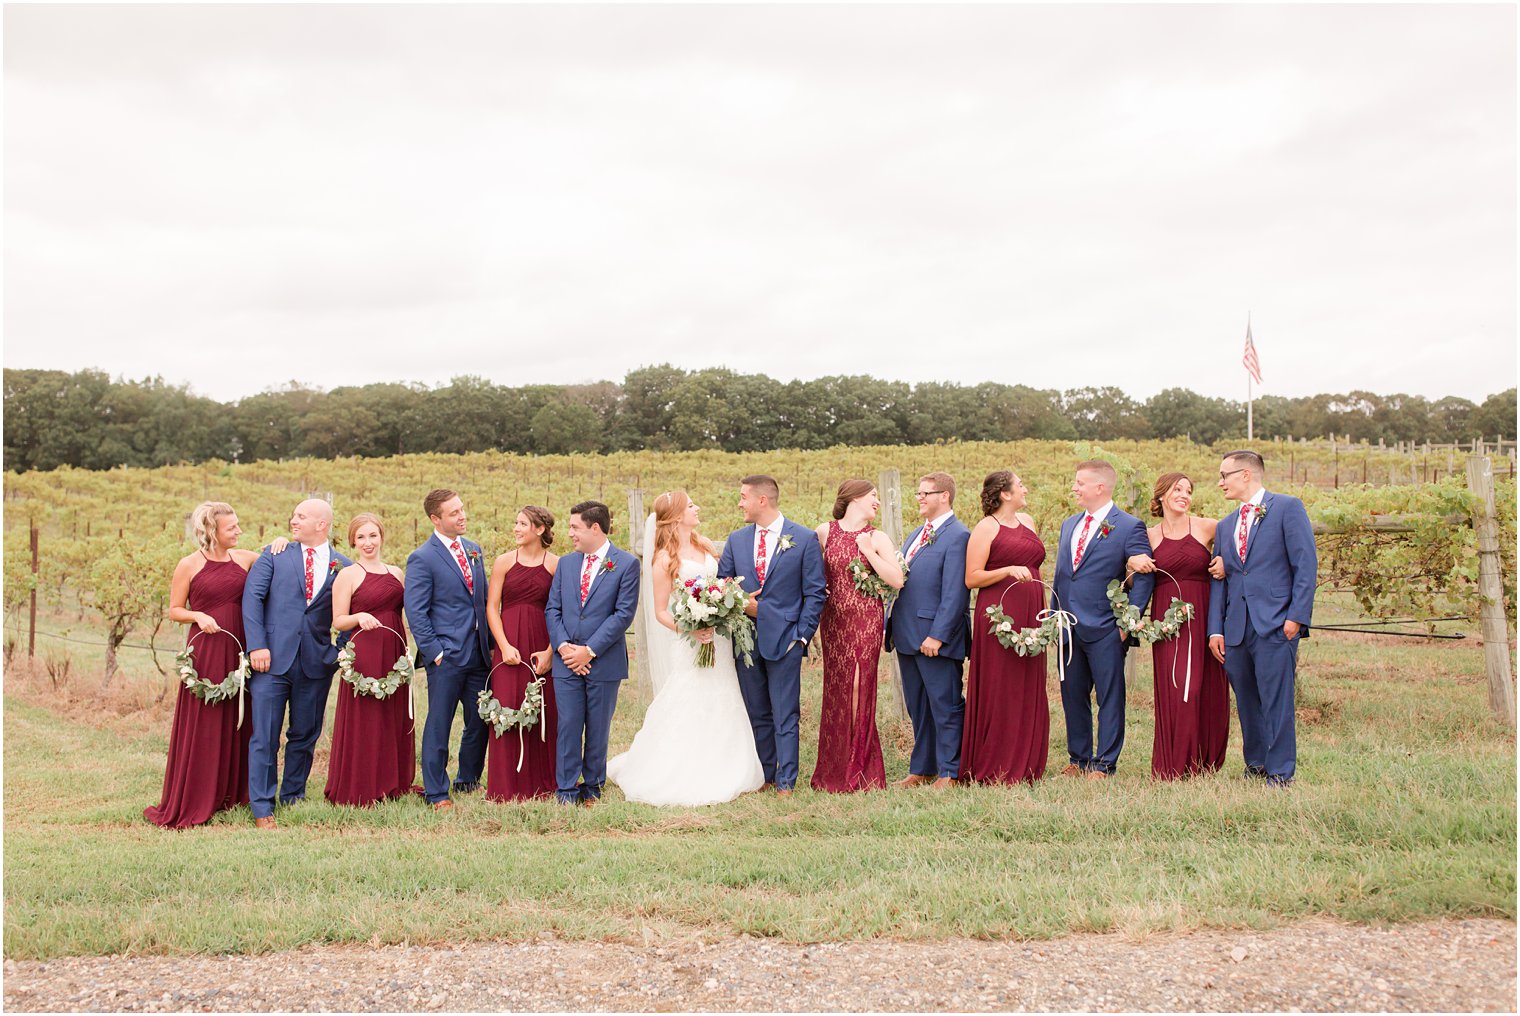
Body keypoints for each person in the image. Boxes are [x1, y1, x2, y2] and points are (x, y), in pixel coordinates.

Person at [607, 491, 765, 805]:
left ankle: (726, 762)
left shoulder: (705, 546)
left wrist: (729, 603)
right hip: (693, 640)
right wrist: (691, 627)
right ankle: (682, 764)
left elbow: (723, 585)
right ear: (678, 515)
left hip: (718, 638)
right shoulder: (664, 559)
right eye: (692, 505)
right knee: (690, 695)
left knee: (724, 692)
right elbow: (661, 611)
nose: (698, 507)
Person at [145, 502, 259, 828]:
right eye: (231, 528)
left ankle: (232, 793)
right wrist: (198, 615)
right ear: (212, 532)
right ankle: (199, 795)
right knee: (207, 719)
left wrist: (279, 543)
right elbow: (174, 610)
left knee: (238, 716)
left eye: (238, 525)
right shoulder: (189, 565)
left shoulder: (246, 558)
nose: (238, 531)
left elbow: (273, 560)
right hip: (207, 649)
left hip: (239, 647)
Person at [1207, 451, 1317, 787]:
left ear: (1245, 475)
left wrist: (1296, 617)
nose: (1220, 482)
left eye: (1225, 475)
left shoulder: (1287, 507)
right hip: (1236, 628)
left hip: (1276, 623)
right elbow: (1220, 581)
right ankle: (1255, 764)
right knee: (1247, 699)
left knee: (1277, 699)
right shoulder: (1225, 526)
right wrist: (1216, 630)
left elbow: (1305, 564)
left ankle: (1281, 772)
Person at [242, 498, 351, 827]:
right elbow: (252, 600)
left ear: (322, 524)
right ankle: (262, 806)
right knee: (265, 736)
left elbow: (353, 609)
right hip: (271, 661)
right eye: (293, 515)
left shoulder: (342, 565)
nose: (293, 520)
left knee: (304, 734)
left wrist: (339, 652)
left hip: (316, 663)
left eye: (301, 516)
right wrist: (257, 646)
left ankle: (293, 797)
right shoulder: (274, 554)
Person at [716, 475, 827, 798]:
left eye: (743, 497)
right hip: (746, 642)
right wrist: (739, 601)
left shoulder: (803, 539)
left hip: (786, 640)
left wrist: (801, 637)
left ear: (762, 500)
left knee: (785, 712)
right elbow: (723, 584)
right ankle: (765, 775)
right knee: (758, 711)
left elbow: (815, 593)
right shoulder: (736, 540)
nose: (739, 503)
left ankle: (787, 780)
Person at [1051, 460, 1154, 780]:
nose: (1074, 488)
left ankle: (1104, 763)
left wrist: (1128, 623)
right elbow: (1062, 575)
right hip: (1068, 626)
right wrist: (1055, 615)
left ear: (1101, 487)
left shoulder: (1128, 526)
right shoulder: (1069, 524)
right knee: (1072, 695)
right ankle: (1078, 759)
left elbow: (1145, 576)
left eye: (1079, 482)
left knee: (1110, 697)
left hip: (1106, 628)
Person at [1126, 473, 1231, 779]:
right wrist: (1132, 563)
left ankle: (1205, 759)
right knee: (1176, 687)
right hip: (1166, 618)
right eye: (1178, 489)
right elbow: (1136, 578)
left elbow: (1241, 550)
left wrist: (1226, 563)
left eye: (1189, 490)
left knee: (1203, 686)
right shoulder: (1149, 535)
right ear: (1161, 496)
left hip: (1204, 613)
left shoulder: (1209, 527)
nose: (1185, 494)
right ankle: (1174, 762)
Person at [545, 500, 641, 806]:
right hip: (566, 659)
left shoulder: (626, 564)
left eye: (575, 527)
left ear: (594, 528)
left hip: (603, 660)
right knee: (569, 724)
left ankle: (593, 786)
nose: (570, 533)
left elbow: (622, 615)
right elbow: (553, 609)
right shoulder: (566, 563)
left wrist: (589, 651)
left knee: (598, 726)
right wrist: (563, 647)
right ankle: (566, 789)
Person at [810, 480, 902, 793]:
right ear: (854, 498)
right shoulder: (825, 532)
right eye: (873, 496)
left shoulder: (877, 537)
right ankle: (832, 768)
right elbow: (812, 574)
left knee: (859, 688)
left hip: (866, 621)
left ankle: (860, 768)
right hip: (834, 622)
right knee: (836, 690)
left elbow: (896, 579)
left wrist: (868, 552)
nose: (877, 501)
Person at [404, 488, 492, 812]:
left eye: (462, 509)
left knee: (480, 720)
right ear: (435, 519)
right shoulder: (422, 557)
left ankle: (468, 780)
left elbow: (479, 602)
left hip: (479, 654)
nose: (462, 515)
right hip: (446, 657)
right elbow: (416, 610)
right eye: (454, 512)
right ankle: (437, 792)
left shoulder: (474, 550)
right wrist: (435, 651)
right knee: (439, 723)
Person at [960, 470, 1049, 785]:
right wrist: (1008, 569)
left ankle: (1027, 762)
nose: (1025, 487)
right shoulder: (987, 527)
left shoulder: (1028, 522)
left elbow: (1035, 563)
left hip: (1032, 610)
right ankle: (995, 763)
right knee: (1002, 686)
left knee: (1028, 682)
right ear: (1005, 493)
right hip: (999, 613)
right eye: (1020, 484)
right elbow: (972, 577)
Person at [887, 472, 972, 789]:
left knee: (945, 705)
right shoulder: (915, 534)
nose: (920, 497)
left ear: (945, 496)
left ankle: (951, 770)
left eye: (926, 493)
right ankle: (922, 768)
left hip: (935, 638)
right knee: (918, 706)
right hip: (907, 634)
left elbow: (955, 593)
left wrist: (938, 634)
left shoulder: (958, 535)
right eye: (918, 493)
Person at [325, 512, 416, 806]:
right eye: (361, 537)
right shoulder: (348, 575)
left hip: (392, 651)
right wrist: (359, 616)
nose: (368, 542)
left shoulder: (396, 573)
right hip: (364, 653)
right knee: (366, 717)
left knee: (392, 715)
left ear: (381, 537)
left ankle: (392, 780)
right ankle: (361, 783)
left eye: (372, 535)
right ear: (353, 541)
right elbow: (338, 620)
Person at [484, 506, 560, 801]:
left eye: (522, 524)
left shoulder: (555, 564)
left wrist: (551, 651)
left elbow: (562, 611)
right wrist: (503, 646)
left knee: (545, 710)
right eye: (515, 523)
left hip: (542, 643)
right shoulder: (503, 562)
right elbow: (492, 607)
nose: (516, 528)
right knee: (507, 707)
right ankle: (505, 785)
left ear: (539, 529)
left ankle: (544, 782)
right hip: (509, 643)